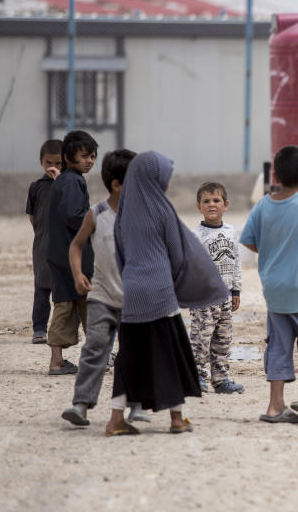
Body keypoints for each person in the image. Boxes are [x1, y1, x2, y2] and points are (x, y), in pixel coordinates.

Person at [105, 151, 229, 436]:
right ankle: (176, 418)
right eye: (165, 178)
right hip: (160, 292)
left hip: (133, 293)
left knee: (129, 356)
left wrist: (132, 280)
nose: (167, 185)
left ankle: (115, 420)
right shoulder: (162, 209)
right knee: (170, 352)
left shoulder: (123, 212)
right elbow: (178, 254)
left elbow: (120, 254)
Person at [241, 146, 298, 423]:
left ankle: (274, 406)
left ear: (275, 175)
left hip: (274, 289)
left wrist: (273, 250)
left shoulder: (263, 204)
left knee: (279, 345)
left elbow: (248, 241)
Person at [62, 149, 150, 428]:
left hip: (135, 301)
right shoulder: (97, 214)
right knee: (95, 348)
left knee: (135, 353)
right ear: (116, 184)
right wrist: (77, 274)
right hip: (101, 297)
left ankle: (136, 406)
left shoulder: (144, 214)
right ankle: (81, 404)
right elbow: (76, 245)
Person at [46, 130, 98, 375]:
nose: (89, 161)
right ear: (68, 157)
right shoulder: (72, 181)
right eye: (85, 156)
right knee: (88, 303)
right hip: (72, 255)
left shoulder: (66, 180)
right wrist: (97, 220)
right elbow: (73, 216)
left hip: (60, 253)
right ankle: (97, 356)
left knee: (65, 302)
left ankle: (57, 360)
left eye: (93, 156)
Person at [188, 182, 244, 395]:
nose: (212, 205)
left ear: (226, 205)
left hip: (225, 296)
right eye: (206, 201)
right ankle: (198, 377)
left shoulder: (230, 232)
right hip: (204, 297)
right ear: (198, 206)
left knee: (222, 340)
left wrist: (236, 290)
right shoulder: (195, 235)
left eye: (216, 201)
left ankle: (220, 379)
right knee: (201, 339)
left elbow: (236, 260)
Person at [27, 139, 62, 344]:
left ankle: (66, 328)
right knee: (41, 288)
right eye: (49, 163)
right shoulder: (36, 187)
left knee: (64, 291)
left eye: (59, 164)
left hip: (64, 246)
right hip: (42, 245)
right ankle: (39, 328)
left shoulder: (70, 184)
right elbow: (32, 216)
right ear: (41, 162)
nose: (53, 168)